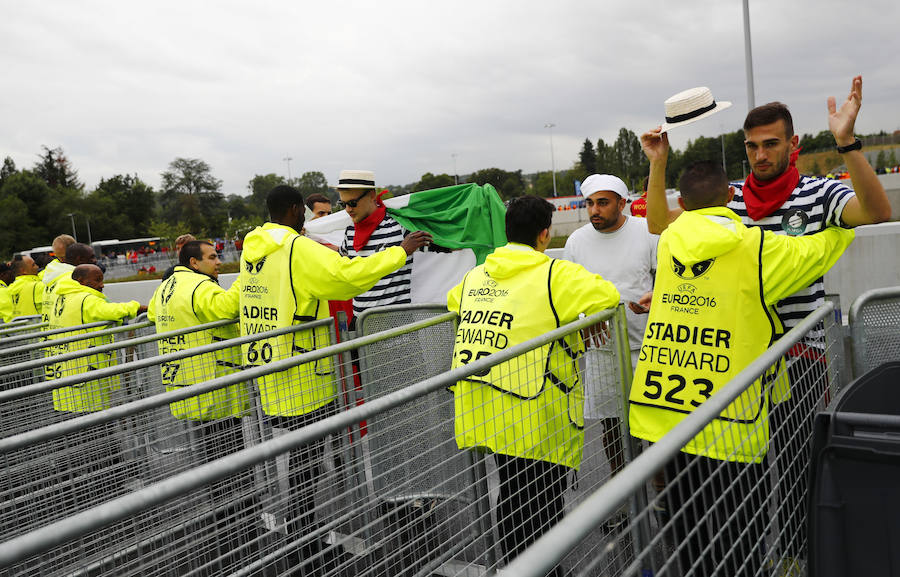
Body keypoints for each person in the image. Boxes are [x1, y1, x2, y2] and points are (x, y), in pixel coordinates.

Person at [641, 76, 891, 561]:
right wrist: (659, 166)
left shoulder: (819, 193)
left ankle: (800, 560)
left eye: (771, 144)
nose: (760, 154)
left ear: (793, 144)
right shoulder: (728, 197)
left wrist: (846, 142)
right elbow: (657, 224)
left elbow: (878, 211)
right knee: (739, 485)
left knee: (800, 474)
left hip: (798, 360)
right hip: (735, 365)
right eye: (752, 146)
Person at [628, 160, 854, 577]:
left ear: (683, 202)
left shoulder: (670, 240)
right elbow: (822, 247)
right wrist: (837, 227)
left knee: (688, 534)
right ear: (730, 197)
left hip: (667, 414)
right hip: (731, 420)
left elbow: (660, 227)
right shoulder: (758, 248)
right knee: (739, 535)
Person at [238, 184, 431, 571]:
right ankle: (303, 539)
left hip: (270, 368)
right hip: (305, 371)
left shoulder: (253, 249)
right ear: (295, 209)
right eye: (305, 213)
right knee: (307, 461)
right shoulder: (296, 248)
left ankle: (303, 531)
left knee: (300, 459)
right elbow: (349, 276)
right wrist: (401, 252)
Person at [448, 195, 620, 574]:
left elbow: (453, 302)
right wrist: (585, 315)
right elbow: (607, 296)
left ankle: (519, 567)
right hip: (535, 412)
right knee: (540, 501)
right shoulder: (555, 274)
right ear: (545, 235)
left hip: (484, 406)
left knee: (511, 493)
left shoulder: (476, 275)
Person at [148, 240, 250, 572]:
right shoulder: (197, 286)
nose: (218, 262)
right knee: (230, 464)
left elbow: (151, 313)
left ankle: (227, 518)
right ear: (194, 262)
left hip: (186, 387)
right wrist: (247, 274)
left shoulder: (167, 285)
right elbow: (225, 308)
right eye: (212, 257)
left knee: (211, 459)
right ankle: (236, 527)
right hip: (212, 389)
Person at [562, 173, 656, 526]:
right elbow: (570, 291)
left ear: (622, 202)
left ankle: (659, 494)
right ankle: (622, 496)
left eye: (603, 202)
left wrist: (654, 300)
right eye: (590, 203)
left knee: (653, 425)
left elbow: (665, 276)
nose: (595, 210)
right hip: (602, 352)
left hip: (647, 347)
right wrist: (585, 319)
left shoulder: (647, 230)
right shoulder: (576, 241)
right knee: (612, 427)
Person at [48, 264, 146, 413]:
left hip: (67, 369)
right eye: (97, 280)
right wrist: (140, 307)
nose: (102, 285)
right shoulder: (86, 299)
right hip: (88, 373)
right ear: (81, 281)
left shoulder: (62, 297)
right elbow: (111, 311)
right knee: (96, 424)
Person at [338, 169, 414, 318]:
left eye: (352, 203)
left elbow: (443, 244)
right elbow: (338, 259)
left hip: (399, 329)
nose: (348, 210)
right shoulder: (350, 232)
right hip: (363, 329)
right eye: (343, 204)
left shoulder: (399, 227)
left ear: (372, 195)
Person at [41, 243, 98, 324]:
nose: (95, 260)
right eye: (92, 257)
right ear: (80, 259)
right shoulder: (75, 279)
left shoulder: (55, 277)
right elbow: (96, 305)